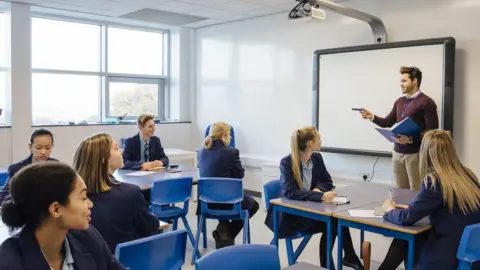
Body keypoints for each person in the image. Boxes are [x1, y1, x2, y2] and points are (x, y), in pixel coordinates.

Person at [372, 129, 480, 270]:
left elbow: (406, 218)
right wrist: (413, 209)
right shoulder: (468, 175)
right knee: (405, 239)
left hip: (447, 258)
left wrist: (389, 209)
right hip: (471, 256)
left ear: (426, 153)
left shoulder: (435, 181)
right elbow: (451, 210)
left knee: (404, 239)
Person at [265, 126, 363, 270]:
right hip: (292, 217)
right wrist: (320, 195)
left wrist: (318, 190)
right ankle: (343, 259)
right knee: (333, 223)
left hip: (311, 211)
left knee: (337, 221)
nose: (321, 141)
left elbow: (327, 181)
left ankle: (343, 259)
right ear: (310, 143)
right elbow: (291, 193)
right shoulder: (287, 162)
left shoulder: (316, 158)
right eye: (318, 138)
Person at [0, 162, 125, 270]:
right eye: (83, 197)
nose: (90, 204)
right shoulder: (8, 262)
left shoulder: (88, 238)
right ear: (56, 209)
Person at [73, 133, 160, 253]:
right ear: (104, 159)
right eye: (116, 148)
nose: (121, 150)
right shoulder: (130, 193)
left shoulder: (71, 198)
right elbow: (151, 226)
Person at [360, 66, 438, 191]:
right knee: (400, 190)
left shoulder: (427, 102)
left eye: (404, 81)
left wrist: (411, 139)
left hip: (416, 154)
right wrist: (372, 117)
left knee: (416, 190)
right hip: (397, 153)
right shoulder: (399, 101)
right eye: (400, 81)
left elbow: (432, 130)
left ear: (415, 81)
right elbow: (388, 122)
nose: (400, 84)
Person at [197, 122, 259, 249]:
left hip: (206, 203)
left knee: (222, 200)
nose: (230, 138)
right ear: (223, 135)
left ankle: (223, 231)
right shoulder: (232, 152)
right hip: (229, 202)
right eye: (229, 135)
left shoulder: (201, 151)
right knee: (254, 205)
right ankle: (226, 234)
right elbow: (239, 174)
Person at [0, 129, 57, 204]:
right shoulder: (17, 169)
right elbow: (4, 196)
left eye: (48, 148)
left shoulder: (56, 167)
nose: (43, 152)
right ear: (30, 147)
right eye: (38, 148)